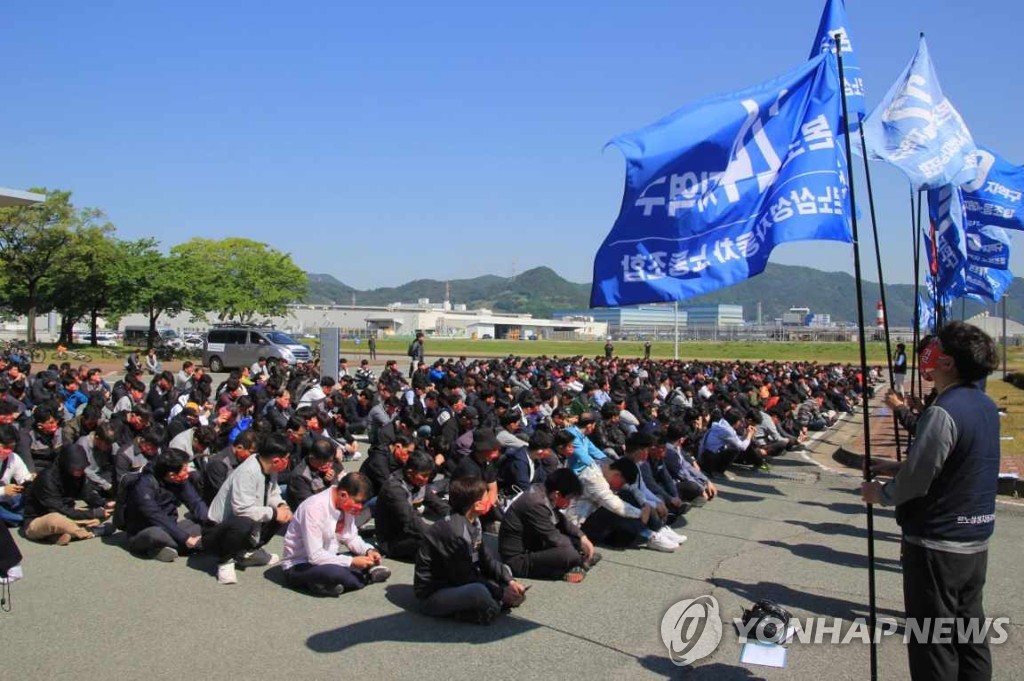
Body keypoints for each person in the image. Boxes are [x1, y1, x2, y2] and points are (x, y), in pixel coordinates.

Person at [862, 322, 1000, 681]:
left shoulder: (943, 410)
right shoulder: (983, 404)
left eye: (936, 349)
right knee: (970, 635)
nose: (929, 355)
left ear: (949, 362)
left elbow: (918, 480)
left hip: (937, 542)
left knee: (933, 644)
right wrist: (897, 466)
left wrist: (880, 493)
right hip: (975, 540)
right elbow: (956, 463)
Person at [414, 476, 527, 624]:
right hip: (435, 593)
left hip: (463, 576)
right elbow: (463, 576)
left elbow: (487, 559)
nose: (492, 502)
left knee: (504, 570)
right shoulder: (454, 531)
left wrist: (510, 581)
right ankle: (490, 607)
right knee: (478, 591)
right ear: (477, 505)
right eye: (487, 498)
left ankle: (491, 604)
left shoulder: (473, 521)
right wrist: (500, 593)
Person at [281, 471, 391, 597]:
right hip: (300, 564)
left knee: (358, 556)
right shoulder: (314, 508)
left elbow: (350, 537)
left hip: (328, 556)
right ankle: (367, 578)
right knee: (334, 573)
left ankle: (326, 584)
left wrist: (368, 551)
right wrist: (352, 562)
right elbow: (315, 556)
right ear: (344, 494)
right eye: (358, 502)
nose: (360, 507)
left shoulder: (346, 505)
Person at [205, 432, 294, 584]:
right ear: (276, 460)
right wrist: (274, 512)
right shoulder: (247, 471)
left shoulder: (269, 468)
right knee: (244, 522)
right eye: (287, 458)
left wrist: (281, 505)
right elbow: (241, 510)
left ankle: (247, 552)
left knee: (282, 514)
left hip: (249, 522)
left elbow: (273, 492)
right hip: (217, 531)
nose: (288, 462)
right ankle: (225, 561)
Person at [499, 468, 599, 583]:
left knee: (575, 540)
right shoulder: (535, 503)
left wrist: (582, 538)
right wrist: (576, 553)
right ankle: (576, 564)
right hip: (518, 560)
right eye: (568, 499)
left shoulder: (544, 491)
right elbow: (553, 537)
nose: (569, 502)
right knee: (568, 553)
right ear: (557, 494)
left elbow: (562, 521)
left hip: (533, 543)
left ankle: (578, 561)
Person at [122, 449, 207, 562]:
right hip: (144, 531)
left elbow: (195, 502)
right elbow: (155, 516)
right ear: (171, 474)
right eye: (184, 470)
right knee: (157, 535)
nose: (187, 473)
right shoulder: (143, 485)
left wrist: (211, 522)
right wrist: (186, 538)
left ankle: (165, 549)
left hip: (170, 526)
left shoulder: (179, 479)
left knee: (200, 523)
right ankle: (197, 545)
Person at [21, 445, 114, 544]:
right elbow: (58, 510)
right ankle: (90, 532)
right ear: (66, 464)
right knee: (56, 520)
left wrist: (104, 504)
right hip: (40, 520)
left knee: (106, 512)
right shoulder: (46, 478)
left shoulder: (78, 474)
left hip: (68, 515)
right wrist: (93, 513)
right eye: (77, 468)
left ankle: (58, 536)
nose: (80, 471)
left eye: (82, 468)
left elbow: (88, 494)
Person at [373, 450, 449, 561]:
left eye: (428, 475)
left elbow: (437, 504)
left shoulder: (419, 482)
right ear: (410, 473)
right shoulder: (394, 488)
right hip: (392, 540)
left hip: (409, 532)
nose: (427, 479)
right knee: (437, 545)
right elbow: (411, 520)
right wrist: (439, 535)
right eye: (424, 476)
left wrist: (459, 518)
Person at [0, 425, 33, 527]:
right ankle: (22, 519)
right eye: (5, 447)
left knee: (26, 500)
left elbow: (24, 477)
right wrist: (3, 491)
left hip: (7, 500)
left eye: (12, 447)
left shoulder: (13, 458)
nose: (8, 451)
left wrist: (31, 480)